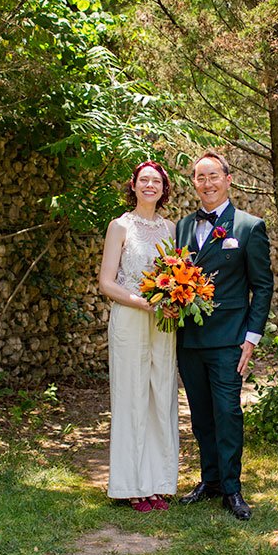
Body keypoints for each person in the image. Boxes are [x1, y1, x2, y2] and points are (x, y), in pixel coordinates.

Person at [176, 151, 274, 520]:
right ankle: (210, 480)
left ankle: (232, 489)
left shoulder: (249, 227)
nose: (207, 183)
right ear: (194, 183)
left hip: (229, 339)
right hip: (189, 340)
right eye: (200, 177)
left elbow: (262, 287)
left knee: (228, 413)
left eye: (213, 176)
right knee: (201, 415)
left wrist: (251, 339)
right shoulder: (183, 227)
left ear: (228, 180)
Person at [97, 161, 179, 512]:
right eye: (143, 180)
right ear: (133, 186)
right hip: (131, 317)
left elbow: (179, 275)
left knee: (160, 395)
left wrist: (176, 301)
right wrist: (143, 303)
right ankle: (131, 486)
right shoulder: (119, 227)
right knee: (131, 396)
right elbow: (106, 282)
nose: (150, 186)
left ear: (164, 189)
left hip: (164, 323)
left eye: (156, 181)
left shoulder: (172, 228)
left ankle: (157, 483)